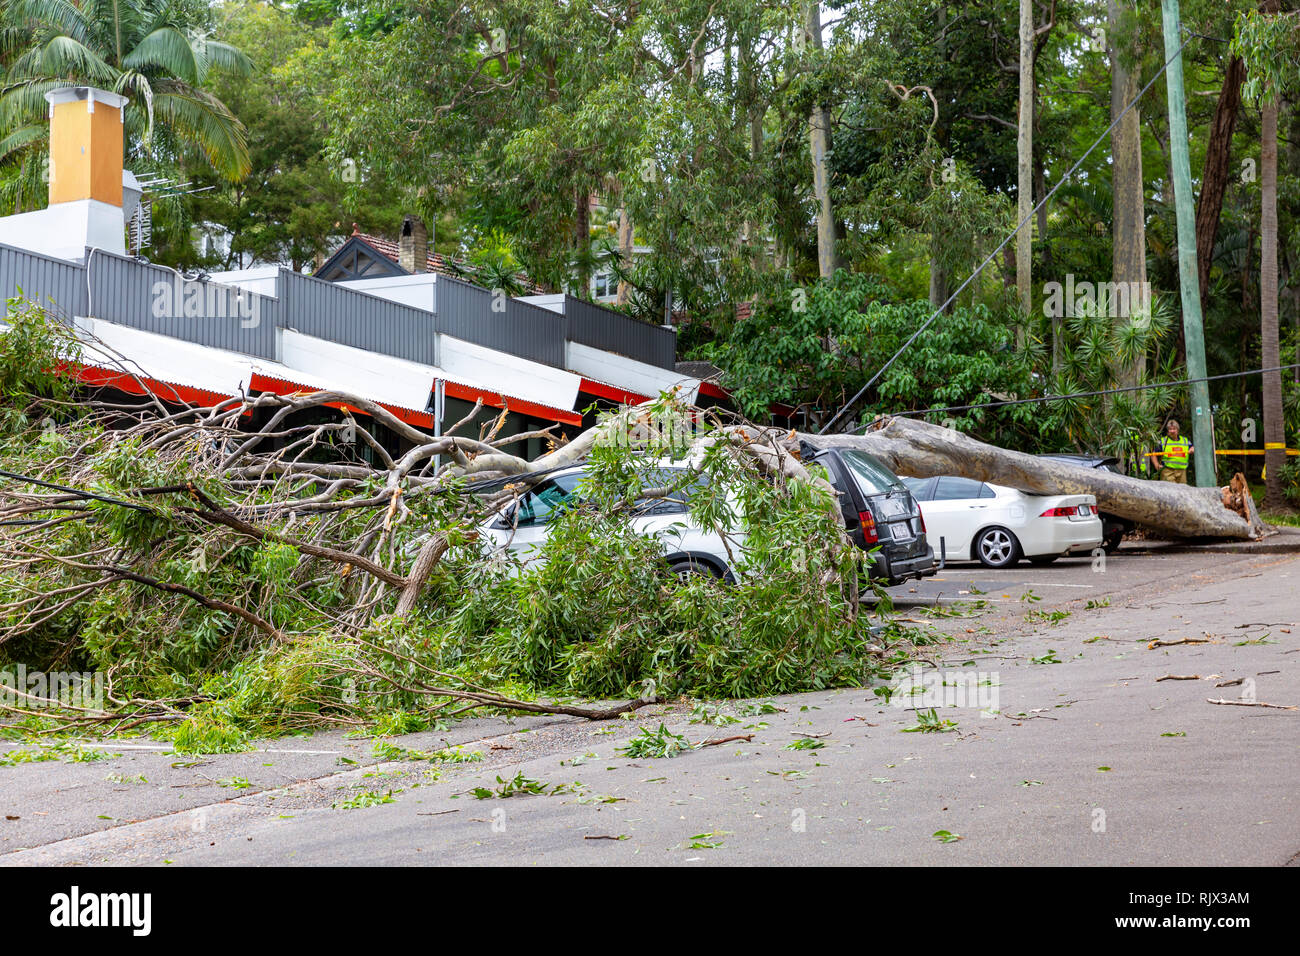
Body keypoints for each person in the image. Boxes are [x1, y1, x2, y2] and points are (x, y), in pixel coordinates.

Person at [1155, 418, 1193, 483]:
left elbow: (1192, 447)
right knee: (1169, 491)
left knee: (1182, 491)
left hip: (1182, 471)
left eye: (1174, 429)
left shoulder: (1185, 440)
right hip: (1168, 471)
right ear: (1168, 431)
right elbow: (1153, 454)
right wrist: (1157, 465)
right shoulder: (1163, 441)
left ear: (1177, 430)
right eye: (1170, 429)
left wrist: (1192, 449)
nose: (1172, 431)